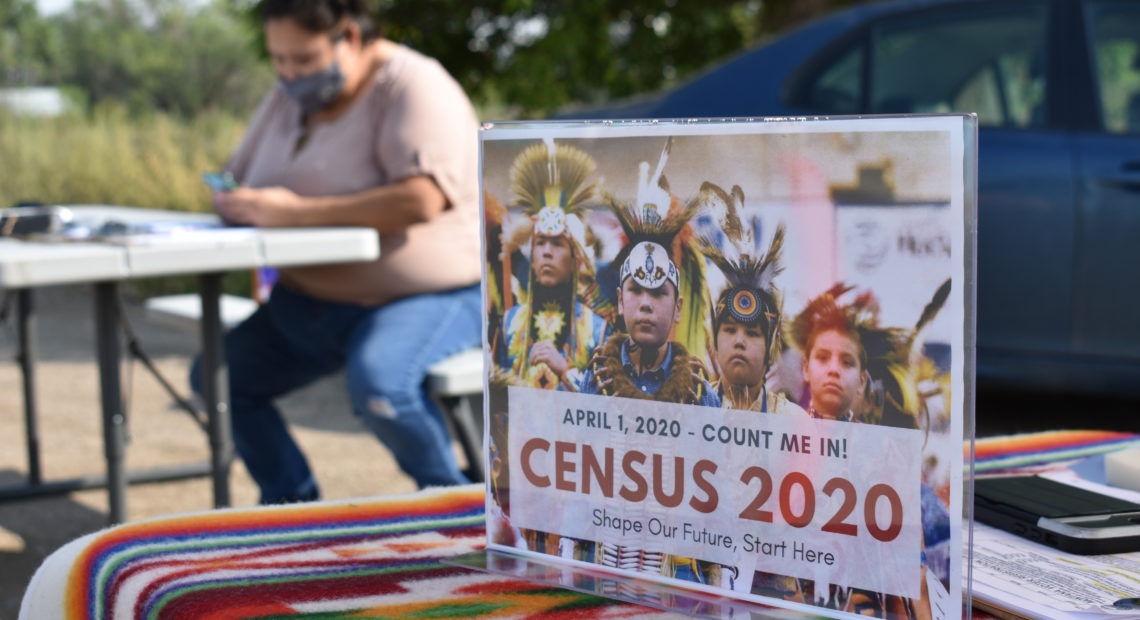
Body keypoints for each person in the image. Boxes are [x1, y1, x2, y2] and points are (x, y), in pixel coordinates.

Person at [190, 0, 481, 503]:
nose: (289, 73)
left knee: (381, 387)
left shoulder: (413, 84)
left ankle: (456, 512)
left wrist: (292, 212)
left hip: (427, 297)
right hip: (311, 301)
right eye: (278, 60)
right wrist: (238, 198)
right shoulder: (289, 97)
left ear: (348, 36)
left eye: (301, 60)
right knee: (218, 382)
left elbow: (421, 197)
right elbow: (240, 173)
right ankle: (292, 509)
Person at [494, 140, 610, 391]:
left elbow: (607, 405)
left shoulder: (598, 331)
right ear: (532, 256)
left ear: (575, 259)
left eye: (557, 244)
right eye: (540, 243)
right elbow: (499, 403)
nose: (547, 252)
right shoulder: (509, 323)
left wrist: (566, 370)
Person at [695, 184, 805, 415]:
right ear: (714, 340)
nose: (739, 341)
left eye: (753, 333)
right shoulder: (692, 411)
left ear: (771, 345)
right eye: (730, 330)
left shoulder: (794, 422)